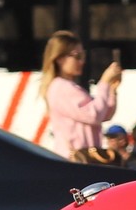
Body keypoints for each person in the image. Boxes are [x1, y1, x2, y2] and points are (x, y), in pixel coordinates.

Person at [38, 30, 122, 161]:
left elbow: (104, 114)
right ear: (60, 59)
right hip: (75, 161)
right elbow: (94, 115)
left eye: (83, 55)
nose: (82, 61)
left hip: (82, 159)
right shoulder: (61, 88)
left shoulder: (68, 87)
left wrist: (112, 90)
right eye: (77, 56)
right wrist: (104, 83)